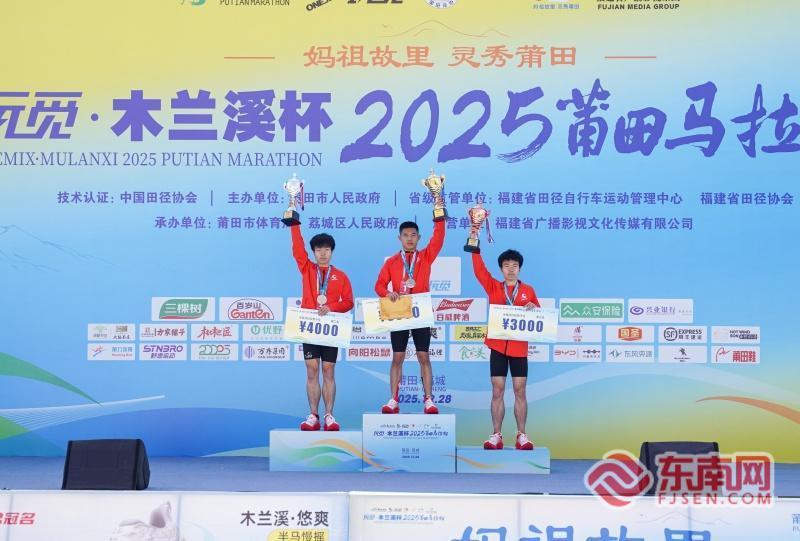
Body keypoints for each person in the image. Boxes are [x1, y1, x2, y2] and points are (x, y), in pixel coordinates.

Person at [471, 248, 540, 450]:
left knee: (520, 391)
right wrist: (474, 248)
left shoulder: (528, 290)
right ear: (501, 269)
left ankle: (522, 435)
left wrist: (533, 308)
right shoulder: (493, 286)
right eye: (506, 266)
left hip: (519, 349)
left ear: (520, 269)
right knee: (497, 390)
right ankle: (496, 435)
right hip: (498, 347)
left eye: (514, 266)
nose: (511, 269)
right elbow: (479, 270)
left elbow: (539, 314)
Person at [374, 219, 445, 414]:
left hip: (421, 312)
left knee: (423, 355)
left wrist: (439, 218)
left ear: (419, 237)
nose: (409, 239)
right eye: (405, 235)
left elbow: (438, 238)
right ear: (399, 238)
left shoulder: (426, 256)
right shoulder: (392, 262)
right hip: (399, 312)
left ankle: (429, 400)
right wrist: (387, 293)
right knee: (398, 356)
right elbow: (379, 285)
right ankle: (393, 400)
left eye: (413, 235)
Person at [290, 223, 354, 431]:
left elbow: (349, 302)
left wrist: (332, 307)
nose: (323, 253)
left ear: (332, 251)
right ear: (313, 252)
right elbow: (297, 248)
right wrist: (294, 225)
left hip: (330, 329)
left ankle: (329, 415)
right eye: (319, 250)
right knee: (312, 370)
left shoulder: (341, 276)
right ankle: (313, 415)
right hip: (309, 327)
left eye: (327, 249)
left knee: (328, 370)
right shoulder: (307, 269)